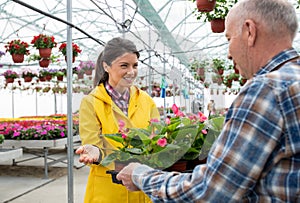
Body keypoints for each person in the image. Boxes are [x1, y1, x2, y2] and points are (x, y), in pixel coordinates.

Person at [116, 0, 300, 202]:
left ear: (249, 31)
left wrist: (140, 175)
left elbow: (211, 192)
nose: (229, 54)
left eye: (229, 38)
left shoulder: (266, 90)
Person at [75, 37, 160, 203]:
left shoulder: (146, 100)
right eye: (124, 66)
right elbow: (92, 144)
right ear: (106, 66)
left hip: (140, 190)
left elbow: (156, 140)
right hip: (108, 192)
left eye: (135, 65)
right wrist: (95, 153)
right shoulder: (91, 102)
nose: (131, 71)